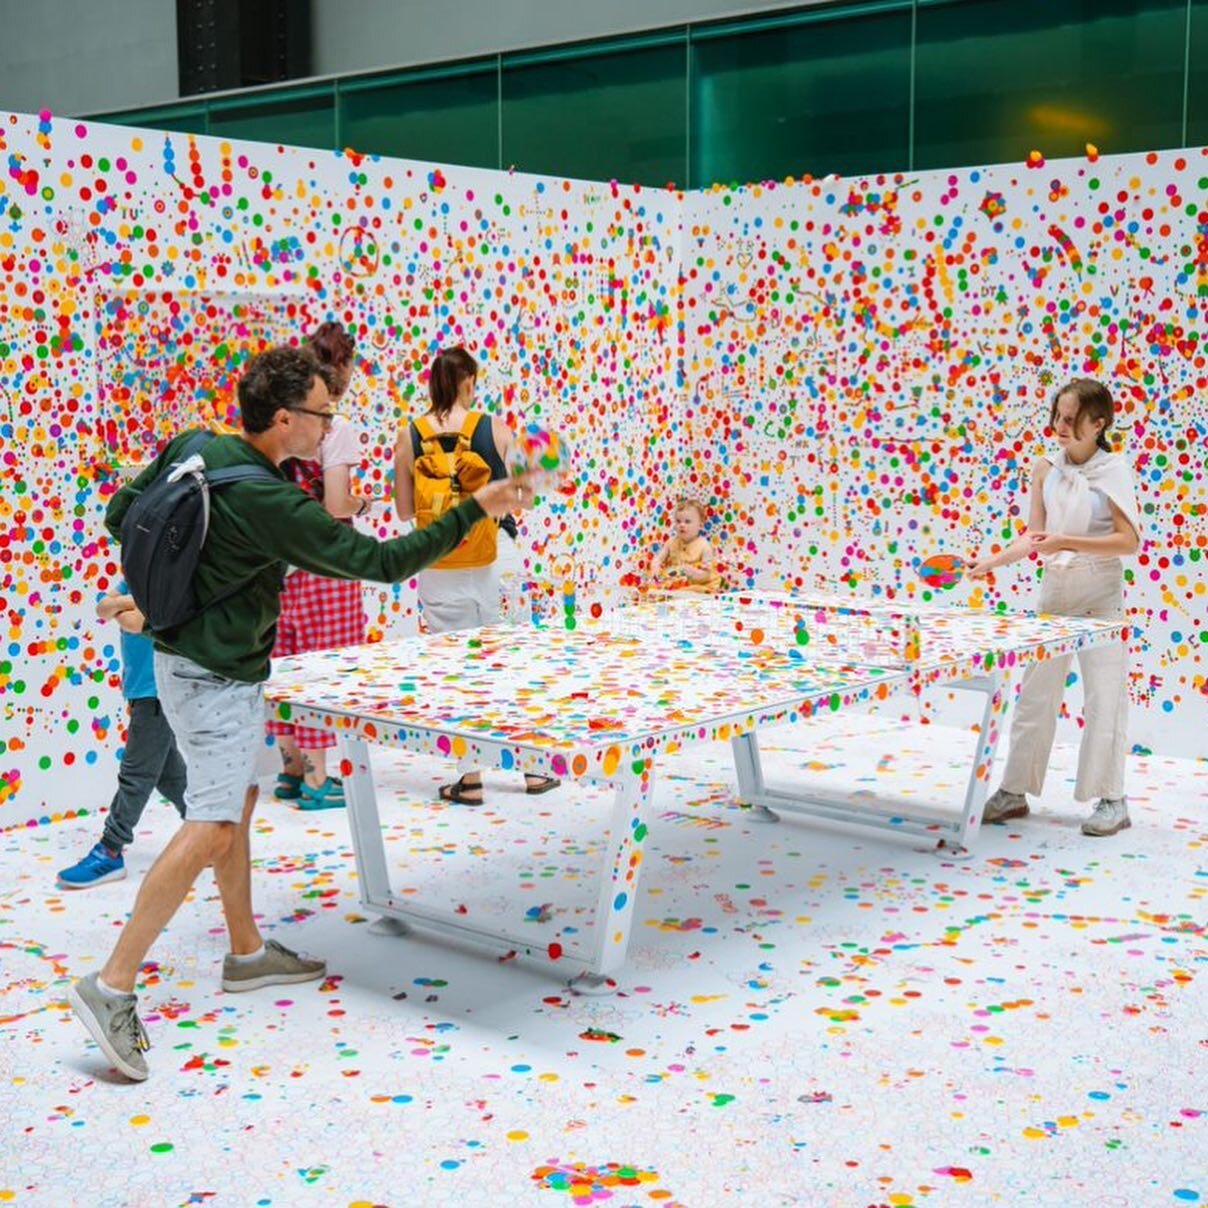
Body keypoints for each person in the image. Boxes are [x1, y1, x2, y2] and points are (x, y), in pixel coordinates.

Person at [68, 344, 537, 1081]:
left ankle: (248, 951)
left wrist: (163, 601)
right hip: (218, 679)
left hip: (188, 660)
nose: (330, 426)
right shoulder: (272, 502)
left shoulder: (197, 444)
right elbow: (383, 563)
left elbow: (120, 511)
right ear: (284, 417)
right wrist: (475, 508)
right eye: (323, 414)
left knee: (239, 800)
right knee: (213, 824)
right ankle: (112, 983)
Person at [968, 378, 1141, 837]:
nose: (1059, 426)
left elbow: (1128, 542)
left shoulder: (1114, 470)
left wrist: (1067, 541)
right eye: (1057, 416)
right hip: (1055, 589)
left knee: (1105, 696)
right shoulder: (1044, 468)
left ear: (1098, 423)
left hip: (1100, 590)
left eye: (1070, 418)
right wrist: (989, 563)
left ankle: (1112, 799)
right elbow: (1035, 537)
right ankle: (1014, 790)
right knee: (1036, 691)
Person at [392, 345, 558, 806]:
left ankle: (469, 779)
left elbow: (405, 510)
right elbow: (524, 499)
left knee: (457, 672)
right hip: (497, 556)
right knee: (510, 662)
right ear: (469, 382)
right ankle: (531, 769)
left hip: (438, 562)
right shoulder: (495, 428)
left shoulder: (409, 435)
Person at [267, 323, 380, 810]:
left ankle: (290, 770)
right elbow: (335, 502)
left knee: (286, 662)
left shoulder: (285, 425)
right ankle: (317, 780)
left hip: (281, 561)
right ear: (343, 367)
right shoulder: (337, 428)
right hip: (327, 565)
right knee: (326, 668)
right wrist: (361, 503)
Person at [57, 592, 187, 889]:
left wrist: (123, 606)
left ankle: (110, 849)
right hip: (141, 693)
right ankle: (208, 835)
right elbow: (104, 608)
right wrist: (125, 605)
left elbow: (134, 619)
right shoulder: (134, 582)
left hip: (158, 692)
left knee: (136, 773)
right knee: (169, 774)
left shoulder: (163, 585)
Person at [649, 497, 722, 593]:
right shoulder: (671, 542)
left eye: (687, 521)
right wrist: (655, 566)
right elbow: (658, 558)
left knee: (698, 591)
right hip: (675, 584)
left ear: (700, 525)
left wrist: (695, 574)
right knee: (653, 590)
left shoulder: (704, 546)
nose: (682, 525)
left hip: (697, 585)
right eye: (678, 521)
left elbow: (707, 574)